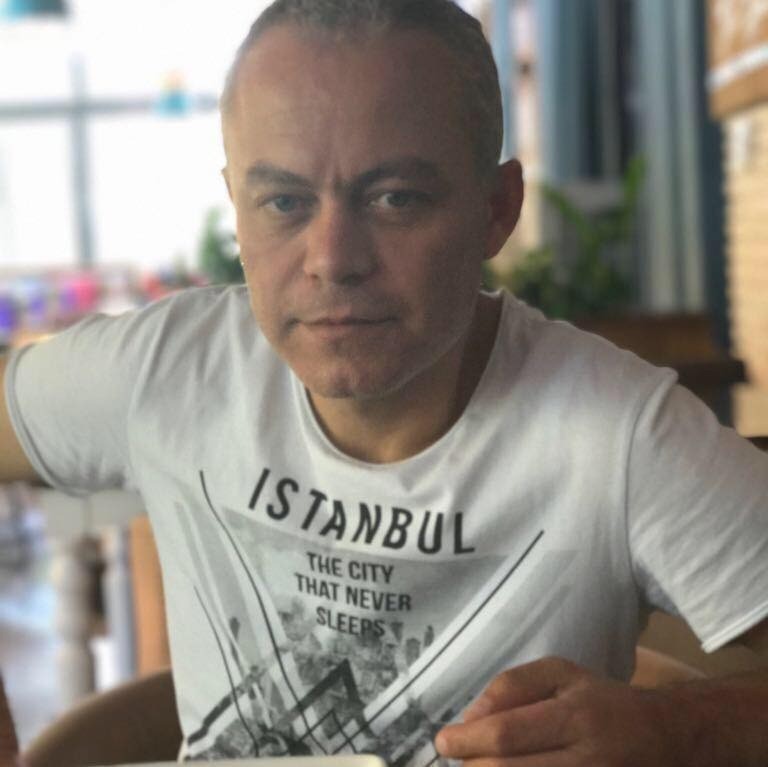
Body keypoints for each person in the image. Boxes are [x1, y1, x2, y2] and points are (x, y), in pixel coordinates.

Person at [1, 0, 767, 764]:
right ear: (237, 209)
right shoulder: (171, 369)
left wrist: (674, 728)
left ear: (497, 209)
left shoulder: (619, 433)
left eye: (395, 197)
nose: (333, 259)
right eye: (284, 202)